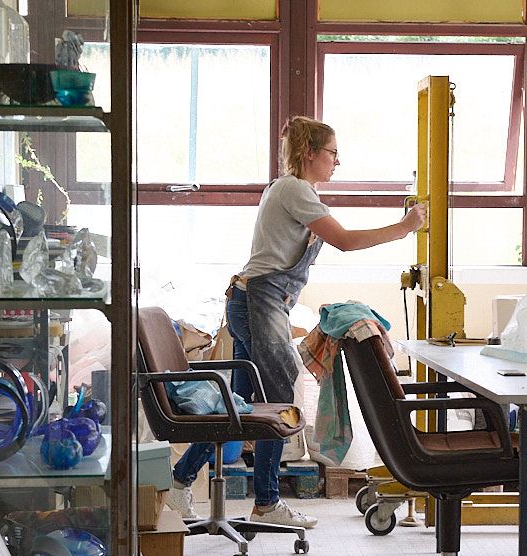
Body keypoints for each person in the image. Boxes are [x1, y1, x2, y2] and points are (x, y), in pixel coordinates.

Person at [166, 116, 426, 528]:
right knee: (278, 402)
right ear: (310, 153)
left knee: (242, 407)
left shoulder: (295, 191)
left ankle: (180, 482)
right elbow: (344, 240)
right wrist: (405, 228)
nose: (337, 162)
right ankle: (267, 502)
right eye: (332, 153)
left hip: (256, 300)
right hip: (259, 301)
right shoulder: (294, 189)